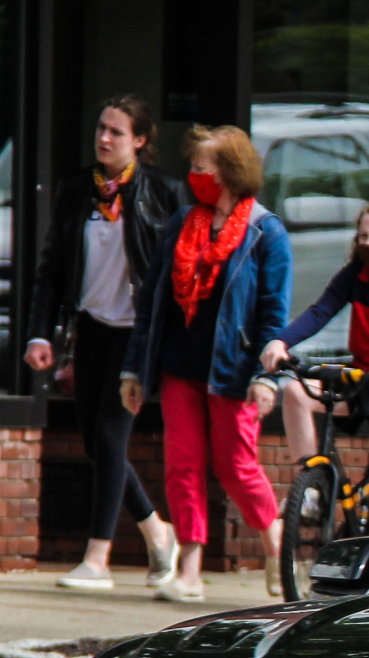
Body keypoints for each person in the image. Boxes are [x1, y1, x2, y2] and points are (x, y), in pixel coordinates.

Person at [122, 126, 293, 602]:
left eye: (202, 168)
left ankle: (273, 539)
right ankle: (190, 569)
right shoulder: (181, 223)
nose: (193, 176)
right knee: (182, 464)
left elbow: (273, 316)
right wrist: (135, 371)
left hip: (233, 372)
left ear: (230, 173)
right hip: (179, 367)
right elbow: (153, 304)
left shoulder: (266, 232)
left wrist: (266, 377)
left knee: (235, 465)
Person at [27, 96, 183, 592]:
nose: (104, 138)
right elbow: (52, 269)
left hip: (135, 334)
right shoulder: (77, 189)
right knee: (96, 444)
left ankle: (98, 559)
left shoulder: (163, 192)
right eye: (100, 128)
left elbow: (178, 272)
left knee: (112, 438)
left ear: (139, 140)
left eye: (116, 131)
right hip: (90, 329)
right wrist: (39, 331)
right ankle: (158, 534)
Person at [260, 201, 369, 519]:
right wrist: (280, 341)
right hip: (361, 376)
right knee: (296, 393)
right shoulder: (355, 276)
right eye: (364, 237)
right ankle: (311, 492)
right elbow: (320, 311)